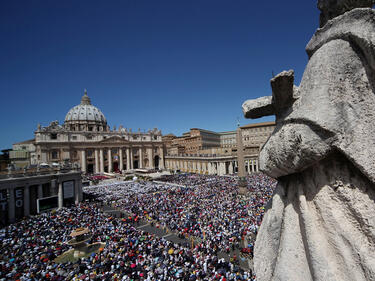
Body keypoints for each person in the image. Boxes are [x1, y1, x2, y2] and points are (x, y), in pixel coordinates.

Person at [243, 1, 375, 281]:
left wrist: (281, 118)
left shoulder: (336, 50)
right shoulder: (363, 45)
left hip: (331, 217)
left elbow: (301, 145)